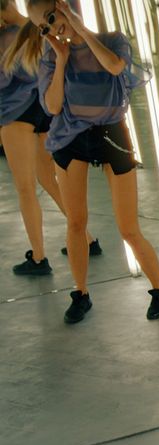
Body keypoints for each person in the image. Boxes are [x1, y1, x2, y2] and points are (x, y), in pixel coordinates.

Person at [11, 0, 159, 323]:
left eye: (51, 19)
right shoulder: (50, 58)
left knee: (128, 227)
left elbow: (114, 66)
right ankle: (81, 292)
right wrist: (61, 60)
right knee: (76, 223)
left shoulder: (113, 39)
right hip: (72, 139)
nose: (50, 29)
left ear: (64, 7)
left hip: (112, 134)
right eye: (43, 27)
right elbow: (53, 107)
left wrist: (80, 29)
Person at [0, 0, 79, 276]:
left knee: (25, 188)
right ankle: (85, 237)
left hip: (14, 113)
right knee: (49, 179)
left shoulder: (6, 37)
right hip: (42, 108)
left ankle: (38, 256)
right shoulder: (35, 28)